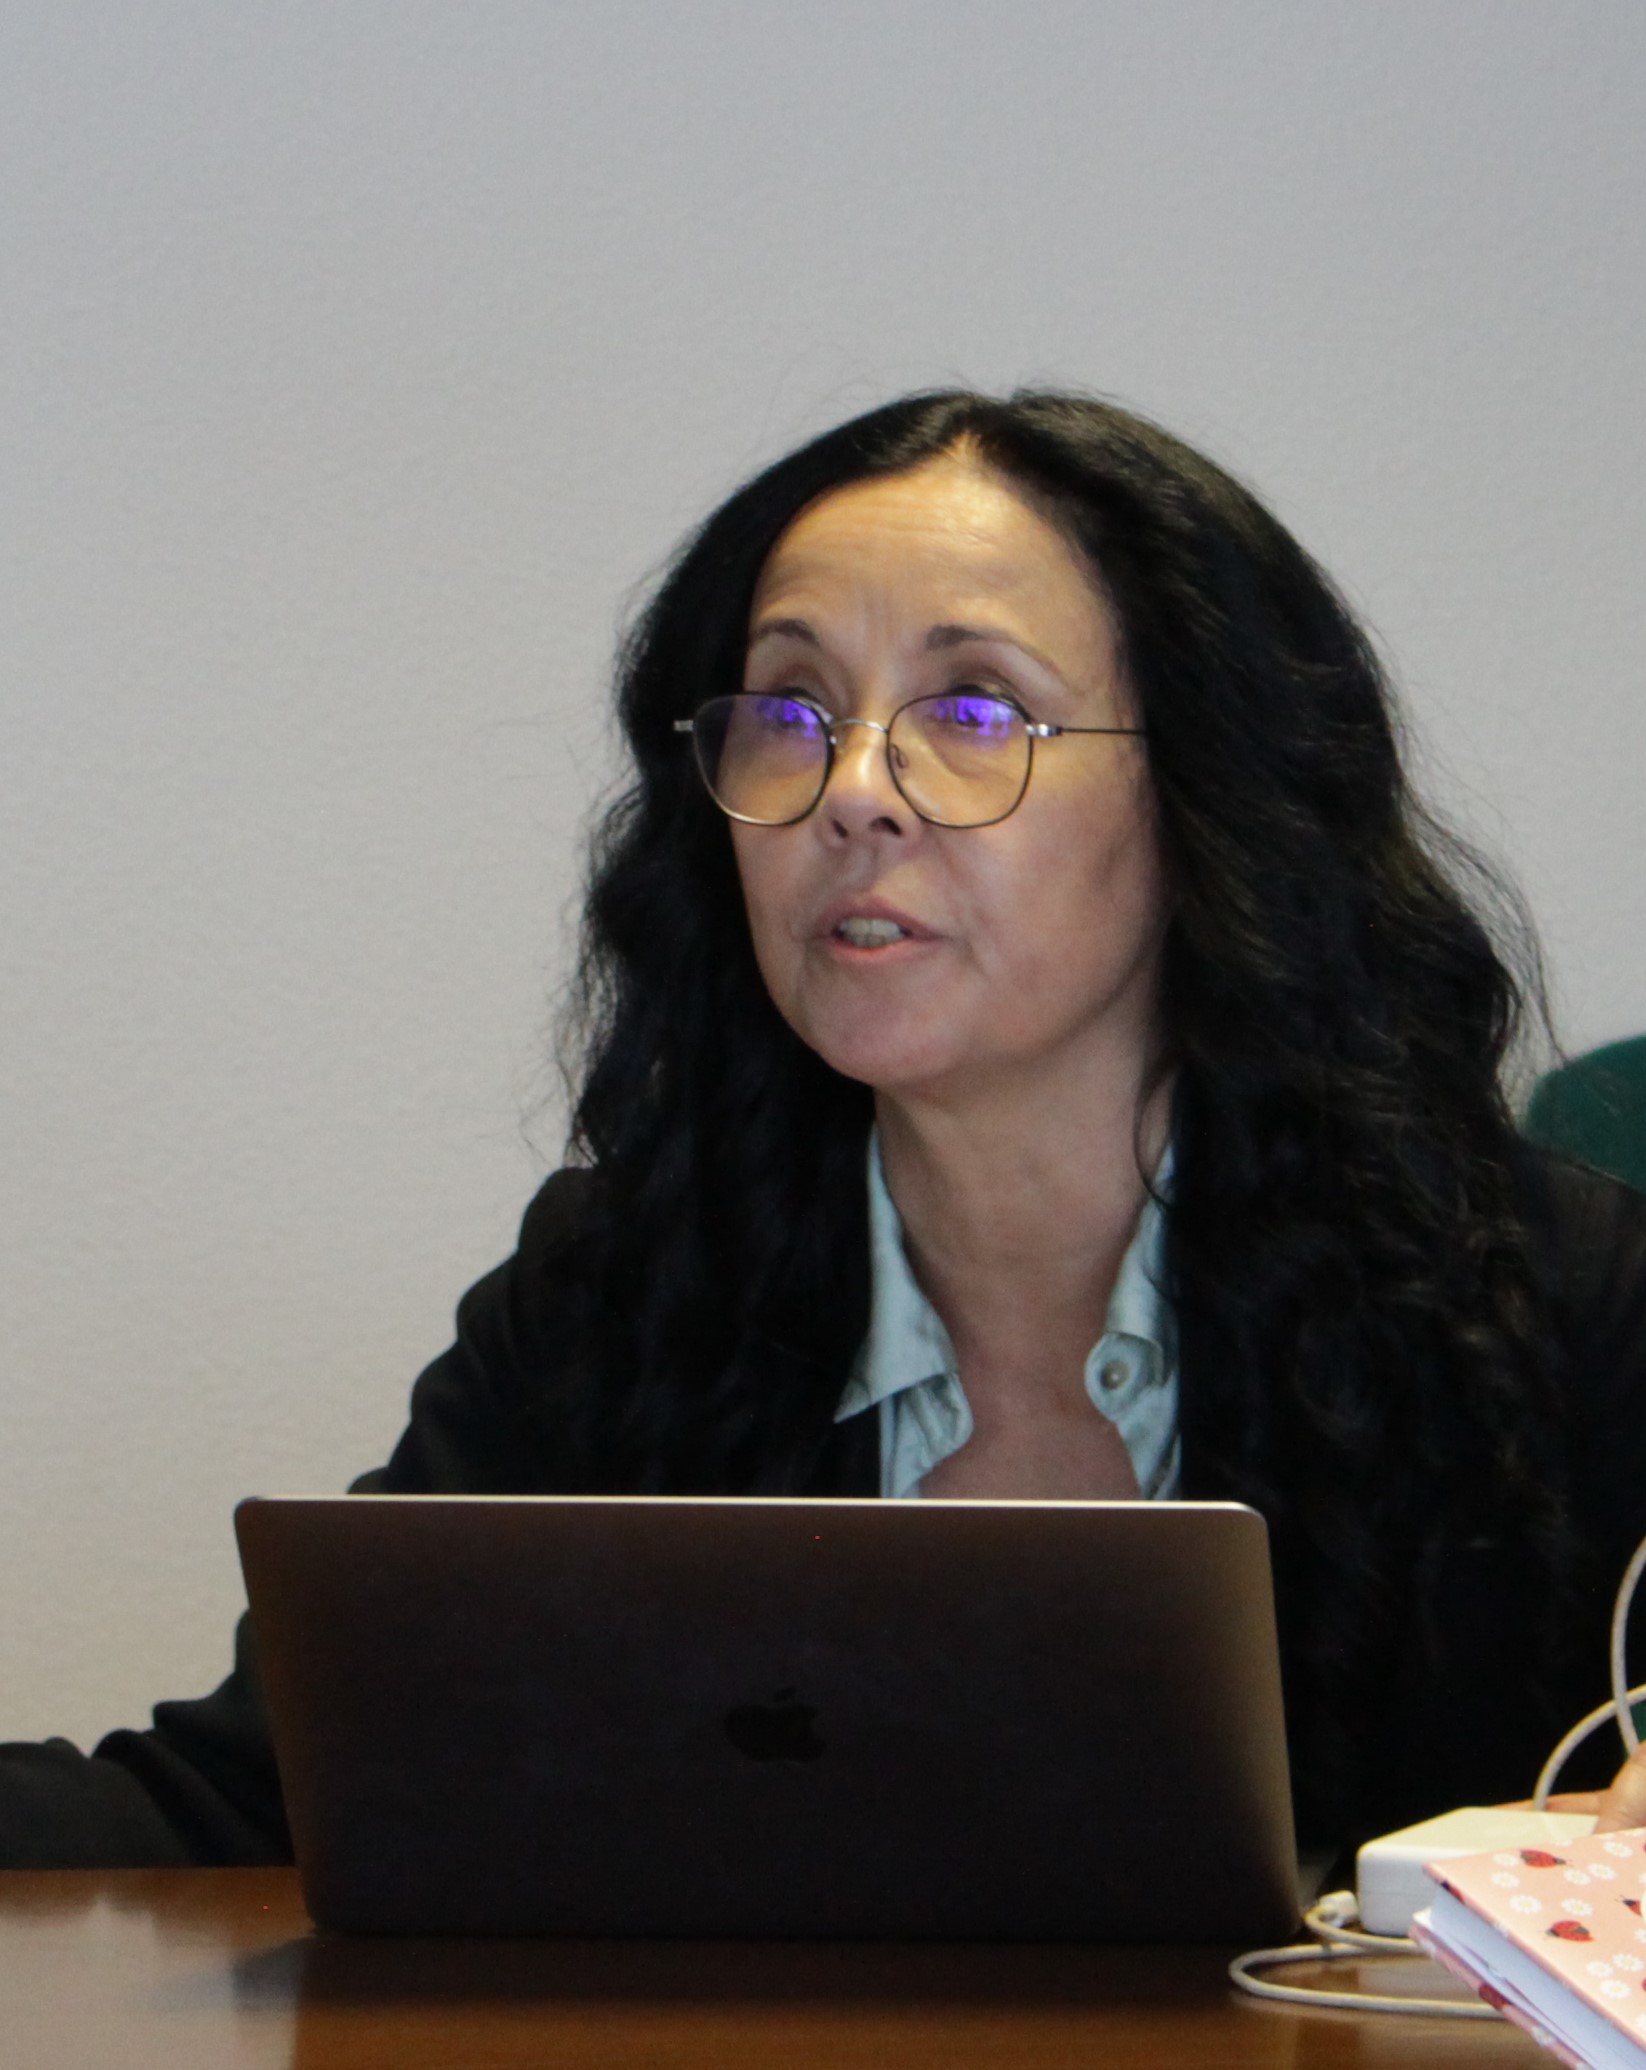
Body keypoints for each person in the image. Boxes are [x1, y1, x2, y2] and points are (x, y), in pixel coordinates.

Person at [3, 389, 1644, 1872]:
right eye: (788, 712)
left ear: (1212, 796)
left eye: (973, 712)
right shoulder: (629, 1293)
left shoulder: (1562, 1305)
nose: (851, 788)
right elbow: (243, 1800)